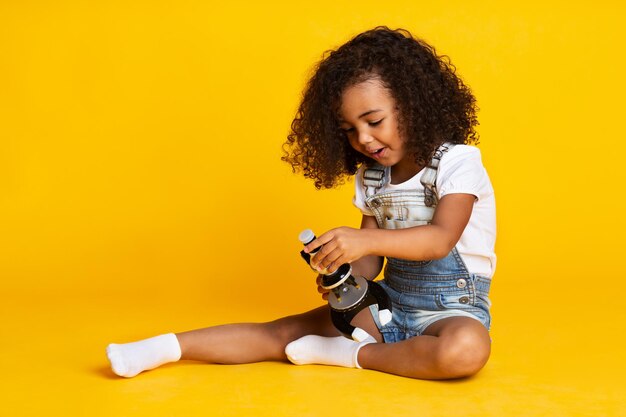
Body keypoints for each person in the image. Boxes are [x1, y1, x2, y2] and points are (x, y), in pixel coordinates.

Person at [106, 26, 496, 380]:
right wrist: (341, 271)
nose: (362, 139)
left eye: (373, 121)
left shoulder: (456, 162)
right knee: (282, 331)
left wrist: (361, 241)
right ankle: (161, 348)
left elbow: (440, 239)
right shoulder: (373, 178)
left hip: (451, 313)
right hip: (387, 307)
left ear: (412, 105)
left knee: (467, 350)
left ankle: (351, 355)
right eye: (349, 130)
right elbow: (370, 263)